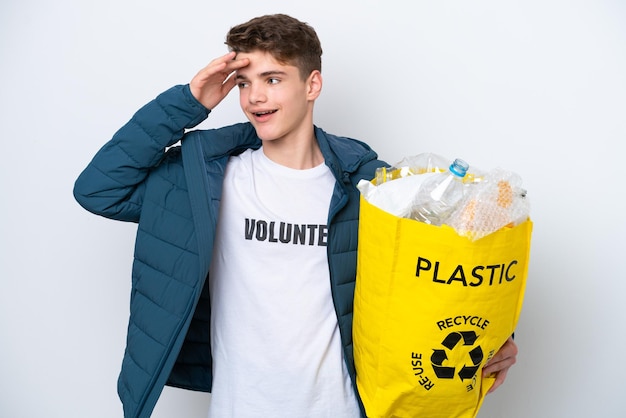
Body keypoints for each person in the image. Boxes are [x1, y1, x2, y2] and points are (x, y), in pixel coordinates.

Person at [73, 13, 518, 418]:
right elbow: (98, 189)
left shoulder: (372, 187)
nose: (255, 97)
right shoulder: (209, 179)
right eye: (244, 82)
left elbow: (439, 277)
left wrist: (495, 341)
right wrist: (189, 103)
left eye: (272, 79)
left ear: (312, 85)